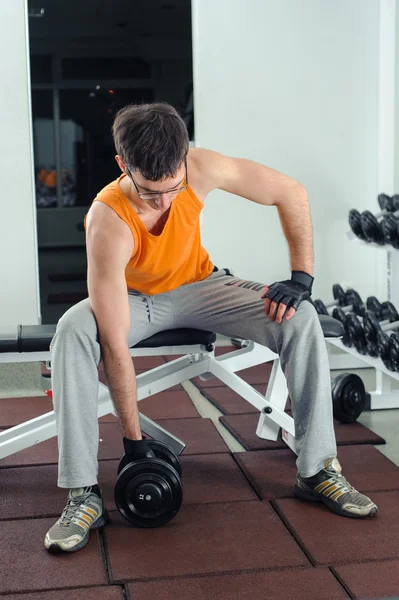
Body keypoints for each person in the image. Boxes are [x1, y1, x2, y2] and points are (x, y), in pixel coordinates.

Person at [44, 102, 377, 554]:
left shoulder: (201, 166)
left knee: (300, 318)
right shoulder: (108, 220)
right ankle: (83, 492)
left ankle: (317, 469)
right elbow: (115, 348)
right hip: (134, 299)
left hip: (202, 285)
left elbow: (291, 192)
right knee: (72, 330)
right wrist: (134, 441)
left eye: (173, 189)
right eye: (149, 192)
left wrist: (301, 277)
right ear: (124, 166)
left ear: (185, 159)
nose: (164, 202)